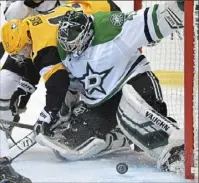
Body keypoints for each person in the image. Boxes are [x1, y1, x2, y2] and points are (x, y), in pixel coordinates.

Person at [1, 0, 185, 173]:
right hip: (99, 100)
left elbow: (155, 18)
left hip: (131, 83)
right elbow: (58, 82)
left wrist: (185, 8)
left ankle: (177, 149)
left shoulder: (108, 28)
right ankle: (120, 136)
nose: (73, 48)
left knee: (135, 119)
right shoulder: (54, 45)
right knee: (68, 144)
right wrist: (50, 109)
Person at [0, 1, 123, 182]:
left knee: (74, 90)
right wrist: (26, 91)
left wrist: (48, 112)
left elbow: (56, 79)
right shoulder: (26, 26)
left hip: (83, 54)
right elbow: (15, 27)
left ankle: (107, 129)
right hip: (51, 50)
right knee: (5, 84)